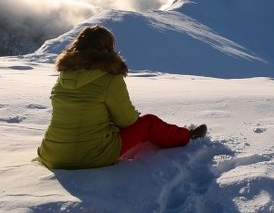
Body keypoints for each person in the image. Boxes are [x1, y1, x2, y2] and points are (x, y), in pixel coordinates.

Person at [37, 25, 207, 170]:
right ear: (107, 49)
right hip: (91, 157)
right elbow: (127, 120)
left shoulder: (64, 76)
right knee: (148, 122)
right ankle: (186, 137)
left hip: (51, 154)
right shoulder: (109, 78)